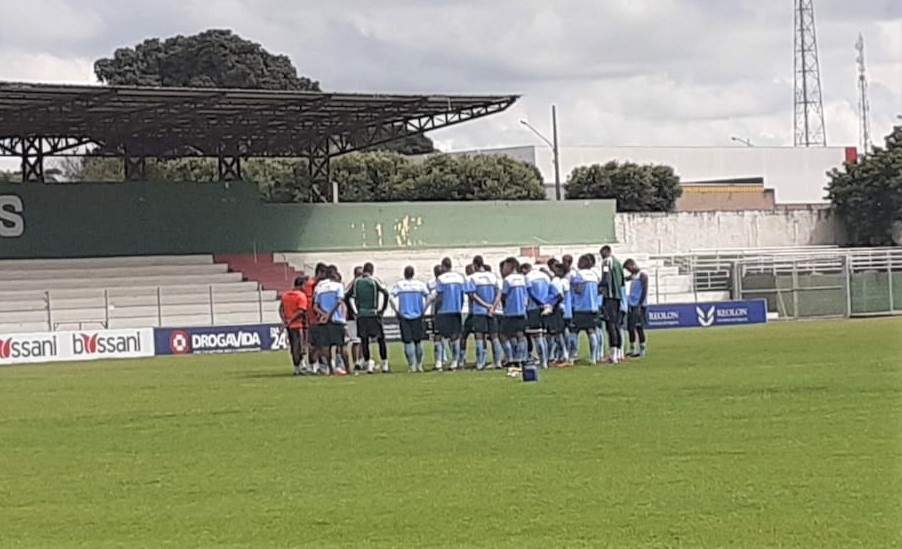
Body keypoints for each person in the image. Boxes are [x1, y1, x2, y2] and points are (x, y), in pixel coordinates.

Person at [349, 262, 391, 374]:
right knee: (380, 339)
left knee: (364, 340)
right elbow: (386, 293)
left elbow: (347, 296)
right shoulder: (374, 280)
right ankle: (385, 363)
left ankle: (369, 364)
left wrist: (354, 311)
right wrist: (382, 309)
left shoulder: (357, 282)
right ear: (372, 270)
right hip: (373, 313)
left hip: (361, 315)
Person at [390, 266, 431, 372]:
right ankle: (419, 365)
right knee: (418, 341)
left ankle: (411, 365)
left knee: (407, 341)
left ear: (404, 274)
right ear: (413, 274)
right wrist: (424, 309)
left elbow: (390, 298)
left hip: (404, 315)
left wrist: (396, 310)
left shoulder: (400, 285)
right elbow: (429, 297)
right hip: (418, 315)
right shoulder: (420, 285)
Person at [466, 257, 503, 370]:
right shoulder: (492, 276)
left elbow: (472, 295)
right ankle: (498, 361)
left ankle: (480, 362)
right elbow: (499, 293)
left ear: (475, 265)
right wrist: (492, 306)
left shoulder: (473, 278)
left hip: (479, 311)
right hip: (492, 310)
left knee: (479, 336)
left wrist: (485, 305)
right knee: (494, 336)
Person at [313, 266, 349, 376]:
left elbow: (315, 306)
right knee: (342, 345)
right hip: (337, 319)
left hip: (324, 321)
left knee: (326, 346)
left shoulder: (319, 287)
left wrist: (324, 314)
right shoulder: (338, 286)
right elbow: (339, 301)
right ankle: (348, 369)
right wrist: (330, 314)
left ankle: (331, 370)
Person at [433, 257, 467, 371]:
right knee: (455, 337)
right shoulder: (460, 278)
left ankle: (439, 362)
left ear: (443, 266)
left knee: (438, 336)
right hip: (456, 310)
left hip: (443, 310)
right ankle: (454, 362)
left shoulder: (441, 279)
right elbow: (462, 295)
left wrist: (437, 309)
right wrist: (459, 307)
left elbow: (440, 296)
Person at [570, 254, 601, 364]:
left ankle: (572, 356)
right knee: (591, 331)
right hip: (593, 307)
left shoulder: (579, 275)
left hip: (580, 307)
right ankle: (593, 357)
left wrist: (573, 284)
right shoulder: (594, 275)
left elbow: (578, 290)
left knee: (574, 331)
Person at [523, 263, 553, 369]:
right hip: (546, 307)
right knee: (543, 335)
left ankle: (542, 361)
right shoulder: (545, 276)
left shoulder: (528, 277)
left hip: (533, 308)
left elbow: (530, 293)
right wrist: (546, 303)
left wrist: (540, 303)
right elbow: (551, 291)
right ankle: (545, 360)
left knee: (537, 336)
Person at [600, 245, 626, 364]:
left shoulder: (606, 262)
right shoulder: (618, 263)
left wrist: (599, 287)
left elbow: (605, 278)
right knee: (616, 325)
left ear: (606, 252)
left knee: (610, 325)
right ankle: (619, 353)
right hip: (618, 297)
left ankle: (613, 355)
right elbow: (622, 281)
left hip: (609, 297)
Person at [500, 257, 529, 366]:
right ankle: (520, 358)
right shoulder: (523, 278)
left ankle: (510, 358)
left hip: (510, 312)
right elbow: (527, 294)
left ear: (510, 266)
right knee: (520, 335)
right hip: (521, 311)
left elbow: (504, 296)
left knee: (503, 335)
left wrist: (504, 306)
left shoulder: (507, 280)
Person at [279, 276, 309, 375]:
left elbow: (281, 309)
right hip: (298, 325)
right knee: (300, 347)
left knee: (293, 346)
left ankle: (297, 367)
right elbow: (301, 311)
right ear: (301, 285)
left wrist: (285, 320)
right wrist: (291, 320)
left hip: (289, 326)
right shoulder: (301, 296)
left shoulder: (285, 295)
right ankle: (300, 366)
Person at [304, 263, 328, 374]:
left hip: (315, 317)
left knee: (317, 343)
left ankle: (317, 364)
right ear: (320, 272)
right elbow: (310, 302)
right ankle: (313, 364)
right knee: (316, 344)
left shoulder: (313, 284)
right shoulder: (312, 285)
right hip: (313, 318)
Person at [623, 259, 649, 358]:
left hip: (639, 305)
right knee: (630, 327)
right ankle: (633, 349)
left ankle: (642, 350)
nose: (629, 271)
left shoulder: (642, 275)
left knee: (639, 327)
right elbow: (625, 279)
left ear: (633, 265)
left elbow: (645, 290)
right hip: (631, 304)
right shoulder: (634, 275)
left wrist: (640, 304)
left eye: (628, 268)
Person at [549, 263, 572, 366]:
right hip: (568, 310)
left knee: (558, 333)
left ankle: (563, 354)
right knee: (565, 332)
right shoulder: (566, 281)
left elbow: (559, 296)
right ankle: (564, 354)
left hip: (560, 309)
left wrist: (552, 306)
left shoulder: (557, 281)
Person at [344, 266, 364, 371]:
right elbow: (347, 298)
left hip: (359, 315)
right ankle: (356, 361)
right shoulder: (353, 285)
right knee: (356, 340)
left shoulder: (358, 284)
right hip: (352, 317)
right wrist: (354, 313)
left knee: (361, 340)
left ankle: (361, 361)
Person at [458, 263, 477, 368]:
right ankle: (482, 360)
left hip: (471, 312)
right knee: (481, 336)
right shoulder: (477, 279)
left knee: (463, 336)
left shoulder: (468, 280)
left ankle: (462, 359)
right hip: (480, 312)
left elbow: (468, 295)